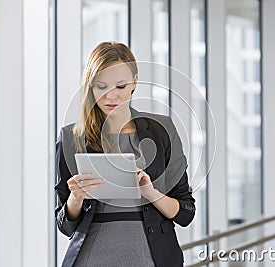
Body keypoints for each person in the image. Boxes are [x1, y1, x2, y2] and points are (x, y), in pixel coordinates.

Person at [55, 41, 195, 267]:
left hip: (151, 258)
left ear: (134, 83)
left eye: (120, 86)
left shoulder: (162, 130)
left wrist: (150, 193)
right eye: (101, 86)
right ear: (90, 86)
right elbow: (64, 225)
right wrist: (76, 198)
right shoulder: (72, 137)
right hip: (92, 258)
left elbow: (186, 212)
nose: (111, 97)